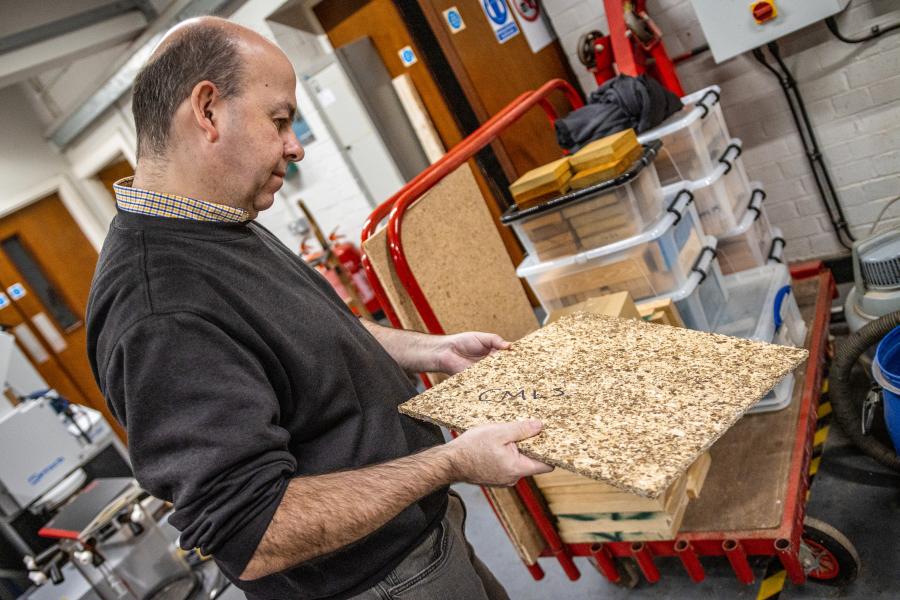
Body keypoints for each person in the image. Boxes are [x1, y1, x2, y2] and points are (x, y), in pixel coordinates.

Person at [86, 16, 551, 600]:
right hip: (373, 583)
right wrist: (450, 462)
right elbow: (252, 533)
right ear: (208, 111)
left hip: (419, 537)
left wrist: (430, 348)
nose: (295, 144)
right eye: (279, 120)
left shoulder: (219, 221)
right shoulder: (158, 311)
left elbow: (310, 333)